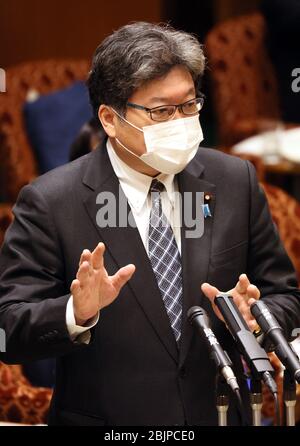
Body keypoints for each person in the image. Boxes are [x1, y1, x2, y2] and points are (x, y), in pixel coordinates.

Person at [0, 22, 300, 426]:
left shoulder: (234, 182)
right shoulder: (52, 201)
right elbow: (9, 329)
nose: (181, 121)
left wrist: (256, 316)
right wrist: (76, 312)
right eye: (162, 111)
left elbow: (286, 295)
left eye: (190, 105)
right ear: (109, 118)